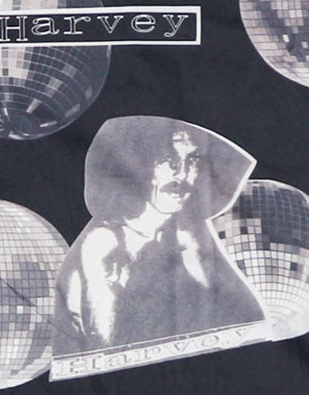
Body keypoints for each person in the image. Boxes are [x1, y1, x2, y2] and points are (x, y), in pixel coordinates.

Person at [53, 117, 264, 376]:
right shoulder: (104, 243)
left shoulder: (184, 233)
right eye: (170, 161)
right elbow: (106, 349)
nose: (183, 175)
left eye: (193, 161)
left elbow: (241, 314)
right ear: (144, 166)